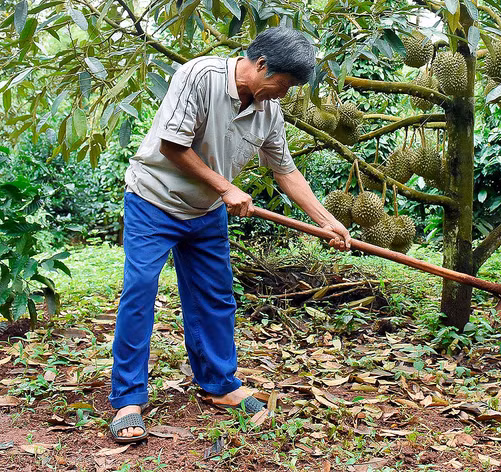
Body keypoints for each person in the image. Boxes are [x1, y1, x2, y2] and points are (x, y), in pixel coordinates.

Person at [108, 27, 351, 443]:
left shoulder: (268, 112)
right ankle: (128, 398)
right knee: (140, 290)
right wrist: (226, 187)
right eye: (285, 83)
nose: (285, 93)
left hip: (205, 212)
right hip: (153, 200)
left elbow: (285, 171)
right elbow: (171, 144)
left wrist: (325, 218)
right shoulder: (199, 76)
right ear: (260, 65)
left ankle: (220, 384)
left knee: (215, 297)